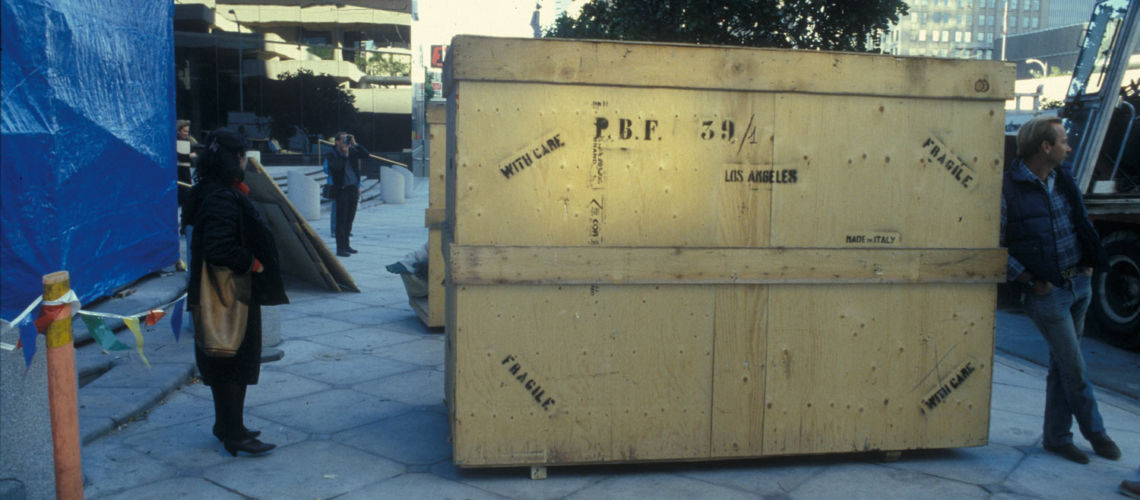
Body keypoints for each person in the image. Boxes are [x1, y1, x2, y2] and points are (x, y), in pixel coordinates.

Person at [1001, 115, 1118, 465]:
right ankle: (1096, 432)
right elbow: (996, 244)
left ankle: (1057, 438)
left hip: (1078, 285)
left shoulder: (1063, 177)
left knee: (1062, 368)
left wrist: (1086, 264)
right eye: (1063, 140)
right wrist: (1029, 281)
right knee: (1075, 368)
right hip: (1046, 294)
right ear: (1045, 146)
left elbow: (1079, 222)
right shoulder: (1008, 189)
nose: (1069, 146)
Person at [182, 129, 288, 457]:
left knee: (224, 361)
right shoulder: (221, 197)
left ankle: (226, 425)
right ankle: (234, 433)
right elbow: (219, 247)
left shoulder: (209, 191)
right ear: (235, 160)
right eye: (242, 156)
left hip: (222, 293)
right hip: (227, 295)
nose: (245, 162)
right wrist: (253, 263)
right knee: (232, 361)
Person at [325, 131, 370, 257]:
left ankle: (347, 245)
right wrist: (344, 154)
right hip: (341, 190)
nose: (346, 142)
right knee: (341, 220)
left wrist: (355, 144)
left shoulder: (353, 151)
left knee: (350, 219)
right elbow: (337, 167)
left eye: (347, 139)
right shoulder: (332, 154)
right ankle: (340, 248)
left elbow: (366, 155)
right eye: (344, 139)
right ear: (337, 141)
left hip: (353, 189)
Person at [176, 120, 198, 206]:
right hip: (177, 171)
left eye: (187, 131)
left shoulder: (190, 142)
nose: (186, 133)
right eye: (184, 131)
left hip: (186, 171)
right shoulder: (174, 141)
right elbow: (177, 156)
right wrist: (188, 156)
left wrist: (190, 157)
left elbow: (193, 157)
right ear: (179, 130)